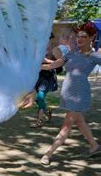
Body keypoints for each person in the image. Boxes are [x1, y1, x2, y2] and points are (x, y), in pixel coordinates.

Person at [39, 21, 101, 165]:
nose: (80, 39)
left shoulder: (94, 56)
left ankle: (48, 153)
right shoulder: (72, 53)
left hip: (80, 94)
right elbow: (54, 65)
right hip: (68, 92)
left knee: (67, 125)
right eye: (78, 36)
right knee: (79, 121)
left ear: (92, 38)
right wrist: (34, 66)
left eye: (84, 37)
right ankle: (95, 146)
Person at [30, 34, 58, 128]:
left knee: (40, 97)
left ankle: (39, 121)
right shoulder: (37, 48)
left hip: (47, 77)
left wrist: (49, 62)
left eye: (48, 39)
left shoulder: (54, 50)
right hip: (36, 76)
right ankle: (47, 112)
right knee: (36, 98)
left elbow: (61, 61)